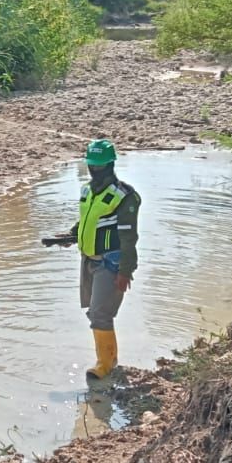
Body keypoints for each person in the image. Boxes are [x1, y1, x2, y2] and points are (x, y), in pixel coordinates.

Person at [65, 139, 140, 380]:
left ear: (111, 165)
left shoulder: (125, 196)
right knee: (94, 312)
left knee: (100, 314)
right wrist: (69, 236)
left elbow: (129, 238)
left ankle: (105, 365)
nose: (96, 170)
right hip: (88, 260)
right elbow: (86, 222)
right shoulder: (87, 191)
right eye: (92, 166)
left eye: (100, 166)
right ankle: (111, 359)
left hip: (111, 263)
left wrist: (125, 271)